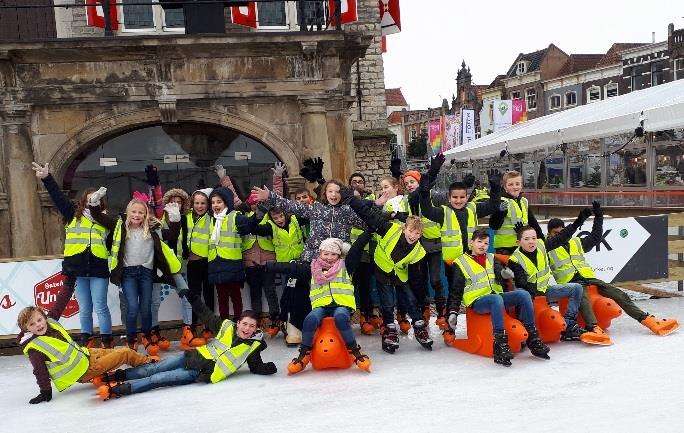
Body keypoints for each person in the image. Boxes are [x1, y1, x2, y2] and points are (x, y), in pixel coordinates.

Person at [95, 294, 276, 400]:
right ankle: (115, 376)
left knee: (157, 379)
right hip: (190, 357)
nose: (247, 329)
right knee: (153, 368)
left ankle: (117, 390)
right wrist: (193, 298)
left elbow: (255, 366)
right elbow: (206, 315)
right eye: (245, 324)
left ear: (255, 329)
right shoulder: (226, 326)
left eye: (252, 326)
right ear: (238, 323)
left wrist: (268, 369)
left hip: (199, 373)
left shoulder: (252, 346)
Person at [547, 201, 679, 337]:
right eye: (555, 233)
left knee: (619, 294)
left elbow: (596, 237)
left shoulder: (576, 242)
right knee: (584, 299)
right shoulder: (546, 248)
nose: (559, 236)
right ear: (549, 234)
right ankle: (594, 328)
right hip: (571, 283)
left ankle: (648, 320)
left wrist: (599, 217)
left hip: (590, 278)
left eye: (561, 232)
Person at [18, 282, 155, 404]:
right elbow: (40, 371)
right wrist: (45, 392)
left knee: (118, 351)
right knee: (125, 353)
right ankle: (150, 365)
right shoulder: (34, 349)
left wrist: (69, 283)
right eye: (32, 324)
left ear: (44, 317)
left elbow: (61, 301)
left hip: (87, 354)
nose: (38, 325)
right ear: (26, 329)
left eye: (39, 320)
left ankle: (129, 367)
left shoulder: (51, 321)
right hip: (85, 370)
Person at [31, 162, 113, 348]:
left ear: (102, 201)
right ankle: (87, 340)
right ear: (84, 201)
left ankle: (107, 341)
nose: (94, 201)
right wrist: (47, 178)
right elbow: (58, 198)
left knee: (100, 306)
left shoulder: (106, 221)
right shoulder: (72, 215)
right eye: (90, 199)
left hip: (99, 269)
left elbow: (113, 245)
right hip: (78, 270)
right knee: (85, 308)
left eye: (97, 199)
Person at [88, 189, 181, 352]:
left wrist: (174, 218)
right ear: (128, 212)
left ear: (145, 215)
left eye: (141, 213)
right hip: (128, 274)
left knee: (146, 307)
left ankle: (147, 335)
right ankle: (130, 338)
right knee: (132, 308)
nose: (137, 215)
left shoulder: (153, 228)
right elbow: (99, 217)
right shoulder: (119, 225)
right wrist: (94, 204)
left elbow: (172, 234)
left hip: (146, 273)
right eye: (134, 212)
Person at [417, 164, 502, 337]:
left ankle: (485, 319)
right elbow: (426, 210)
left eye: (462, 197)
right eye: (455, 197)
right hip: (454, 263)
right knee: (455, 294)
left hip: (473, 260)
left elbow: (493, 206)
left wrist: (495, 188)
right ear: (449, 197)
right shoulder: (443, 212)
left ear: (466, 197)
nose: (459, 200)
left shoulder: (473, 209)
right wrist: (424, 193)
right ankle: (450, 327)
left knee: (475, 290)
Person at [446, 228, 551, 366]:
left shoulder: (491, 257)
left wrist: (503, 274)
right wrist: (453, 312)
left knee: (523, 294)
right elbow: (455, 290)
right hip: (477, 302)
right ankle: (500, 343)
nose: (482, 245)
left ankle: (533, 338)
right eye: (479, 242)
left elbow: (498, 271)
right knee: (496, 299)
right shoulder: (461, 262)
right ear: (471, 243)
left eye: (486, 243)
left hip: (496, 296)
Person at [269, 236, 373, 374]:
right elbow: (292, 267)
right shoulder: (312, 269)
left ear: (339, 254)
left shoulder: (345, 266)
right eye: (326, 253)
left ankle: (354, 351)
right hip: (321, 306)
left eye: (334, 254)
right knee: (310, 320)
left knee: (341, 318)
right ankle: (304, 354)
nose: (329, 257)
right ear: (320, 253)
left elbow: (357, 247)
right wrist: (268, 266)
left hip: (341, 304)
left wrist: (370, 231)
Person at [347, 196, 433, 353]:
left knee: (410, 299)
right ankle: (389, 329)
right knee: (387, 302)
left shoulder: (419, 252)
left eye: (417, 233)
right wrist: (352, 199)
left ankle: (420, 326)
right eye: (410, 231)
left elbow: (415, 277)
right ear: (404, 228)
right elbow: (369, 215)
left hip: (400, 274)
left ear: (421, 234)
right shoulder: (390, 229)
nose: (413, 235)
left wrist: (422, 297)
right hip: (382, 270)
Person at [507, 216, 604, 344]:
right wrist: (535, 292)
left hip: (545, 290)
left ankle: (569, 324)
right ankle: (528, 334)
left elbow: (562, 236)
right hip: (529, 294)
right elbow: (521, 282)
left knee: (576, 288)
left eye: (533, 238)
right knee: (524, 296)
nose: (531, 242)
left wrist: (578, 221)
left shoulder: (542, 246)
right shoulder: (515, 259)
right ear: (518, 242)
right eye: (526, 239)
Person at [247, 205, 305, 337]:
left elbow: (313, 214)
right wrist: (258, 216)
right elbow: (253, 229)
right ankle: (289, 326)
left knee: (303, 295)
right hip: (285, 267)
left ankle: (303, 325)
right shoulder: (270, 227)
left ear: (285, 214)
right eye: (275, 218)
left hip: (301, 264)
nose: (279, 220)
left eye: (281, 216)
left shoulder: (296, 219)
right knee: (288, 297)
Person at [207, 187, 254, 321]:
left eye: (219, 202)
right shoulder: (210, 219)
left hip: (232, 264)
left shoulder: (235, 216)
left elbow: (249, 225)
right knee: (222, 299)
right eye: (213, 202)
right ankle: (225, 326)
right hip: (216, 265)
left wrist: (257, 215)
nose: (215, 205)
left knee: (235, 297)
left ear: (226, 202)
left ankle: (238, 322)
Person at [489, 170, 543, 255]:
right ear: (505, 187)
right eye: (511, 184)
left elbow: (533, 223)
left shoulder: (524, 201)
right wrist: (499, 212)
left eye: (517, 184)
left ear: (521, 185)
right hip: (505, 248)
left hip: (522, 245)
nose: (515, 187)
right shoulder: (502, 201)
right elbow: (494, 225)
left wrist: (542, 240)